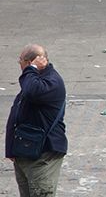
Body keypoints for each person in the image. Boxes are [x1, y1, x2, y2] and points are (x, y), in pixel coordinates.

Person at [5, 44, 68, 196]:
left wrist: (31, 70)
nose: (19, 64)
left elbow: (32, 92)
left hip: (42, 155)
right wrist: (11, 149)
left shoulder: (51, 81)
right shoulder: (34, 80)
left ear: (30, 62)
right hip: (25, 151)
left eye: (21, 60)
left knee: (41, 192)